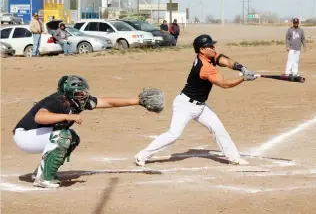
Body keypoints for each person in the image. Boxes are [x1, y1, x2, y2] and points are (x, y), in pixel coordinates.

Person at [13, 75, 162, 188]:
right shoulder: (56, 101)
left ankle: (42, 171)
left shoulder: (78, 101)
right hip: (26, 136)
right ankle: (44, 179)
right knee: (63, 136)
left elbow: (107, 102)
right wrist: (66, 116)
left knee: (72, 137)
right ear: (68, 95)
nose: (83, 96)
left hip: (37, 135)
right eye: (79, 94)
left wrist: (136, 101)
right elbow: (40, 117)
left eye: (84, 92)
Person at [135, 34, 257, 167]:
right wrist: (243, 78)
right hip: (185, 105)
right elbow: (224, 84)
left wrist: (241, 68)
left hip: (200, 106)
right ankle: (142, 155)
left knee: (218, 129)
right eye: (210, 46)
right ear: (202, 50)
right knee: (173, 134)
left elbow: (225, 61)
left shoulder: (209, 56)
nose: (213, 48)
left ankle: (234, 158)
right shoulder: (204, 67)